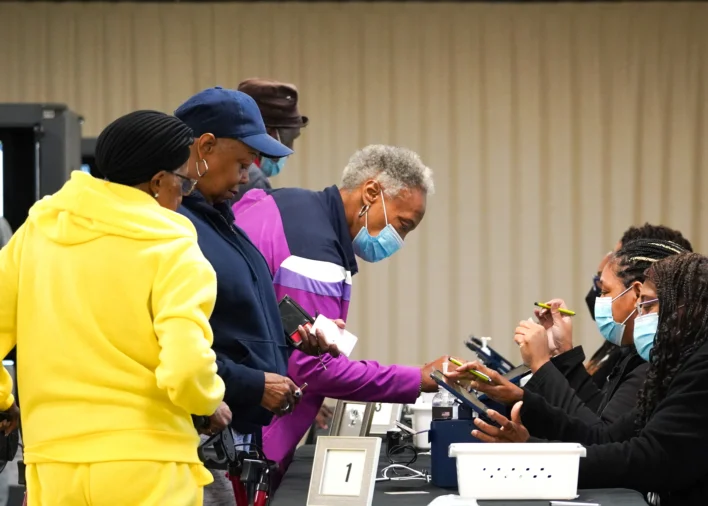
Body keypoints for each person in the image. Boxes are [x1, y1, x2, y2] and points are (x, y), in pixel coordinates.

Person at [471, 251, 708, 506]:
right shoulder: (697, 355)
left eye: (648, 305)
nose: (640, 316)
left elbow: (652, 462)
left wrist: (536, 462)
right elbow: (607, 436)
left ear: (684, 308)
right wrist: (525, 420)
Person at [0, 110, 229, 505]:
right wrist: (209, 401)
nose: (185, 195)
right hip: (147, 462)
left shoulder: (36, 232)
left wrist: (5, 400)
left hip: (52, 460)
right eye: (185, 182)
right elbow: (187, 368)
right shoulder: (174, 249)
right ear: (158, 183)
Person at [232, 145, 447, 484]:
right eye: (402, 225)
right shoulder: (314, 254)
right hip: (246, 430)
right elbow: (313, 368)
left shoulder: (289, 204)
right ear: (372, 192)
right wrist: (417, 379)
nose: (399, 240)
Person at [174, 88, 306, 505]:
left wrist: (297, 332)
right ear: (206, 147)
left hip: (230, 436)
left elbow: (238, 309)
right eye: (241, 164)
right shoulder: (176, 230)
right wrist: (249, 384)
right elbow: (172, 347)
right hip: (195, 437)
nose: (246, 177)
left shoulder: (220, 221)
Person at [451, 239, 688, 427]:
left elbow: (599, 436)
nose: (599, 300)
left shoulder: (654, 364)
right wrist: (563, 353)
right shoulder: (633, 355)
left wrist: (542, 365)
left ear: (638, 295)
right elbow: (598, 411)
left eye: (605, 291)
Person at [583, 224, 694, 389]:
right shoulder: (622, 345)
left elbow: (591, 413)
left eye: (605, 289)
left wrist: (546, 365)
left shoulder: (652, 363)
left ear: (638, 290)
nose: (599, 296)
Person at [233, 78, 308, 201]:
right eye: (287, 139)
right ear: (267, 133)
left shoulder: (212, 164)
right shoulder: (252, 181)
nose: (290, 150)